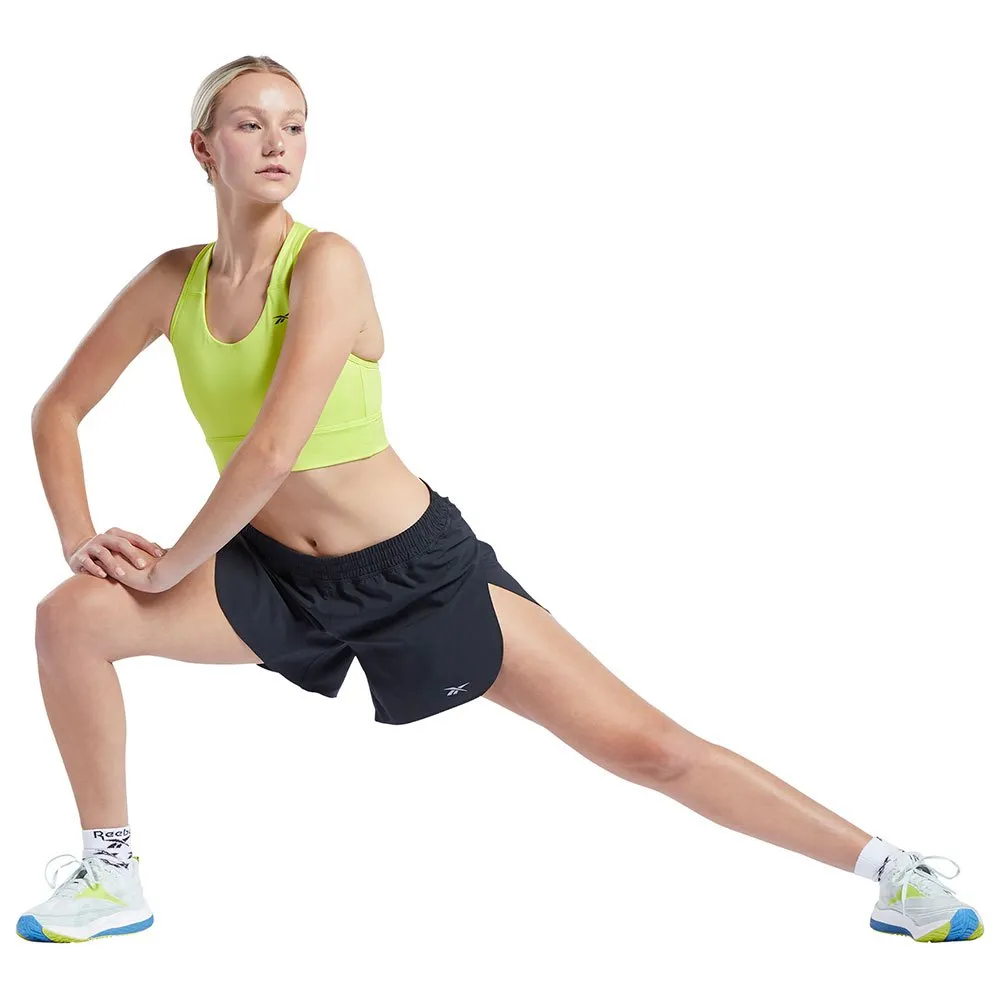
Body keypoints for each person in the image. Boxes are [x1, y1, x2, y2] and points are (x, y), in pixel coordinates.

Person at [18, 54, 983, 945]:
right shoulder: (170, 282)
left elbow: (274, 451)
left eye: (296, 125)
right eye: (250, 125)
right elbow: (56, 410)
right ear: (203, 148)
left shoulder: (328, 262)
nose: (278, 144)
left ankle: (894, 873)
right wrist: (78, 537)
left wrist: (172, 566)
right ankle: (112, 875)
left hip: (412, 572)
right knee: (71, 619)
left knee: (647, 748)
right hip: (274, 576)